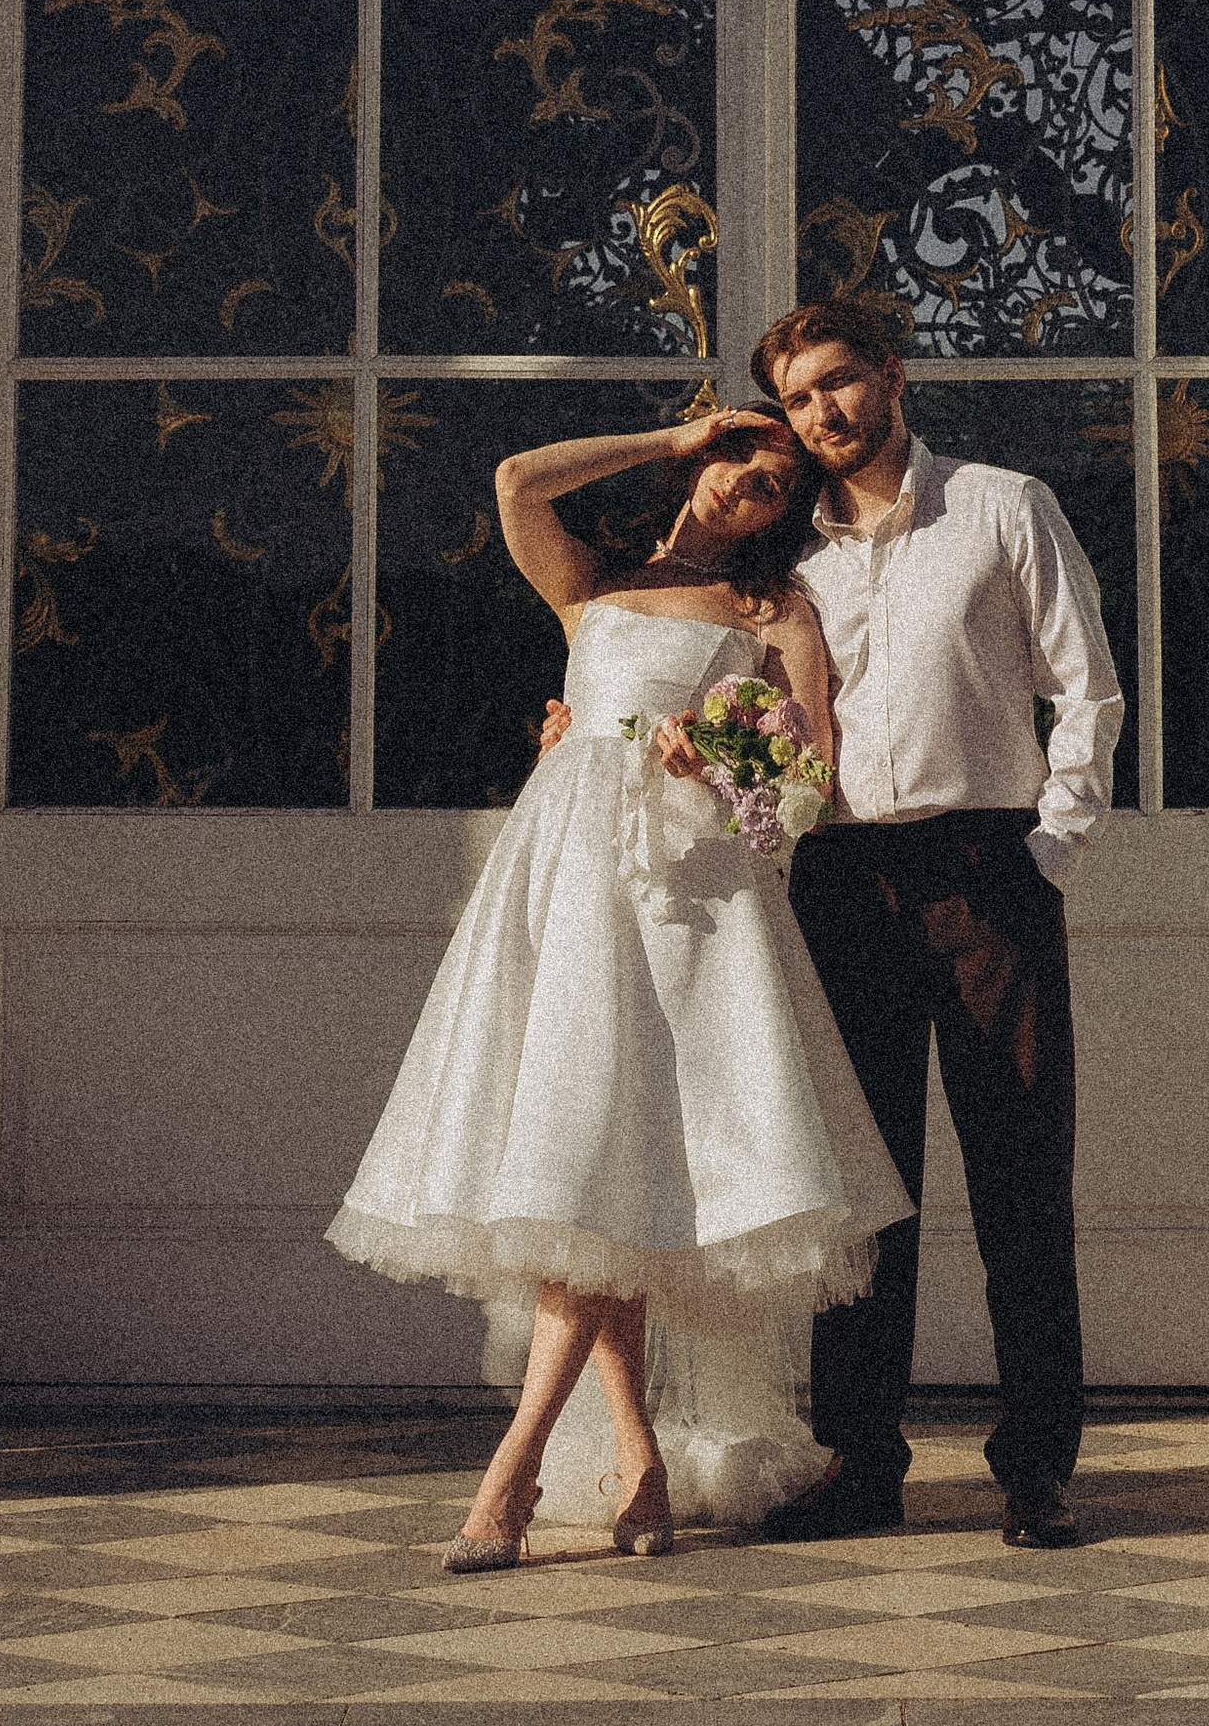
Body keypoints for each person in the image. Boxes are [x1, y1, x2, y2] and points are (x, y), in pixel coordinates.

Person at [327, 406, 910, 1570]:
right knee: (596, 1177)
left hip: (690, 902)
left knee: (605, 1176)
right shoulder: (590, 586)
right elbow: (514, 473)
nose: (751, 485)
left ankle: (515, 1471)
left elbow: (807, 791)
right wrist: (673, 434)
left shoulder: (771, 611)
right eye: (743, 460)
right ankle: (638, 1465)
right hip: (563, 891)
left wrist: (726, 754)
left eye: (776, 483)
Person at [752, 295, 1125, 1551]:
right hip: (838, 882)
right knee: (866, 1200)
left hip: (985, 871)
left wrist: (1049, 849)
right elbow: (743, 715)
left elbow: (1086, 686)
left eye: (842, 383)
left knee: (1021, 1178)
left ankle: (1036, 1468)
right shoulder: (780, 555)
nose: (826, 414)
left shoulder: (1003, 505)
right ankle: (861, 1468)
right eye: (801, 399)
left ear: (894, 377)